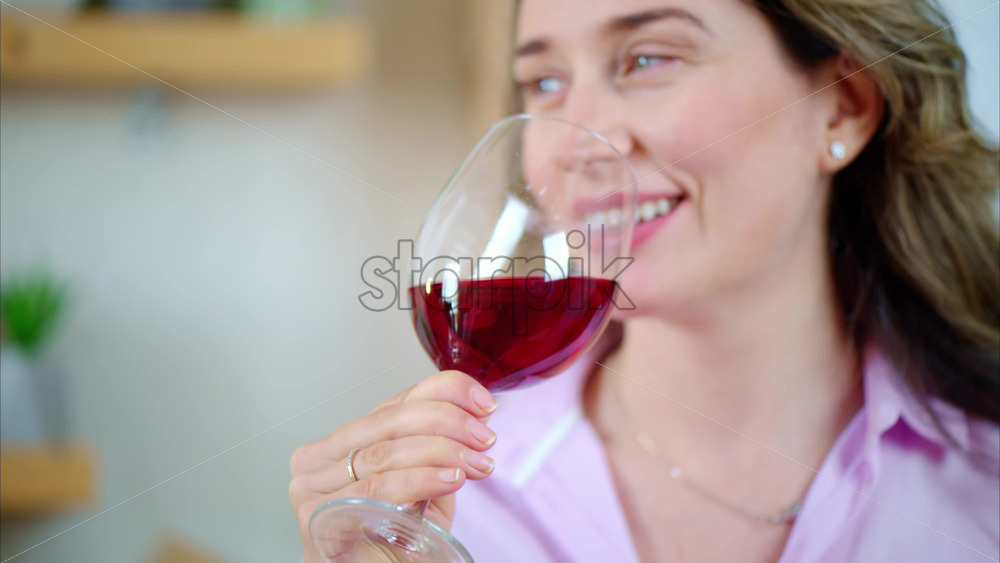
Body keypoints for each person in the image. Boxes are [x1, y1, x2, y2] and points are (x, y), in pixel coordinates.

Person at [289, 0, 1000, 560]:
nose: (574, 141)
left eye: (648, 58)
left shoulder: (984, 481)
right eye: (544, 81)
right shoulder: (462, 496)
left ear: (843, 106)